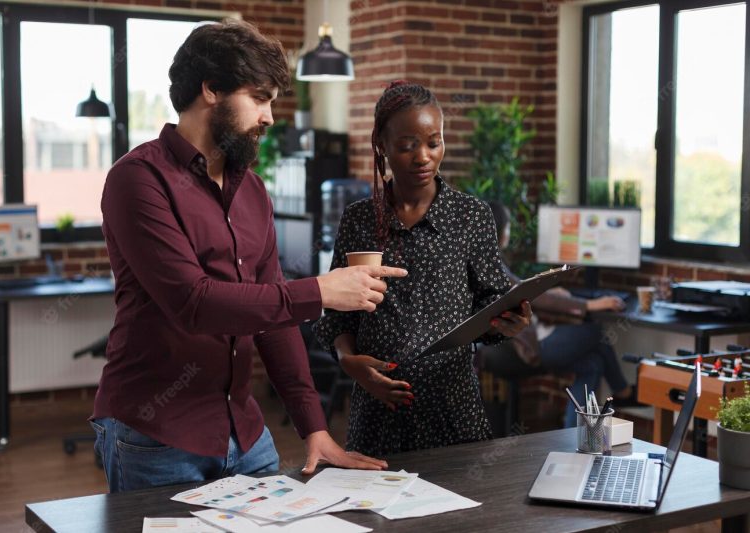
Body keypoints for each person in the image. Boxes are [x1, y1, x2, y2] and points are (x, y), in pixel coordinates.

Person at [91, 20, 408, 493]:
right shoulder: (138, 180)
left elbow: (271, 317)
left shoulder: (253, 190)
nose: (269, 117)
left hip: (245, 434)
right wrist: (319, 291)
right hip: (155, 433)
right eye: (259, 97)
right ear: (211, 89)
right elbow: (194, 303)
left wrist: (313, 428)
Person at [313, 81, 532, 457]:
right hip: (377, 411)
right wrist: (350, 363)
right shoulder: (359, 220)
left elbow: (492, 304)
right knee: (370, 513)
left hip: (453, 409)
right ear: (382, 145)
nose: (424, 157)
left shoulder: (471, 217)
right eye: (408, 145)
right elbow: (337, 318)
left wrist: (509, 320)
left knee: (460, 512)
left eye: (434, 142)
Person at [477, 201, 636, 428]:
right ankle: (622, 391)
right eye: (509, 227)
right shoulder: (490, 265)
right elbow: (526, 295)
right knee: (598, 335)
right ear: (499, 231)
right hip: (528, 345)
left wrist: (552, 291)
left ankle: (573, 434)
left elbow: (518, 291)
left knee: (593, 363)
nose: (510, 233)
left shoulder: (486, 262)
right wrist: (590, 305)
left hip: (522, 341)